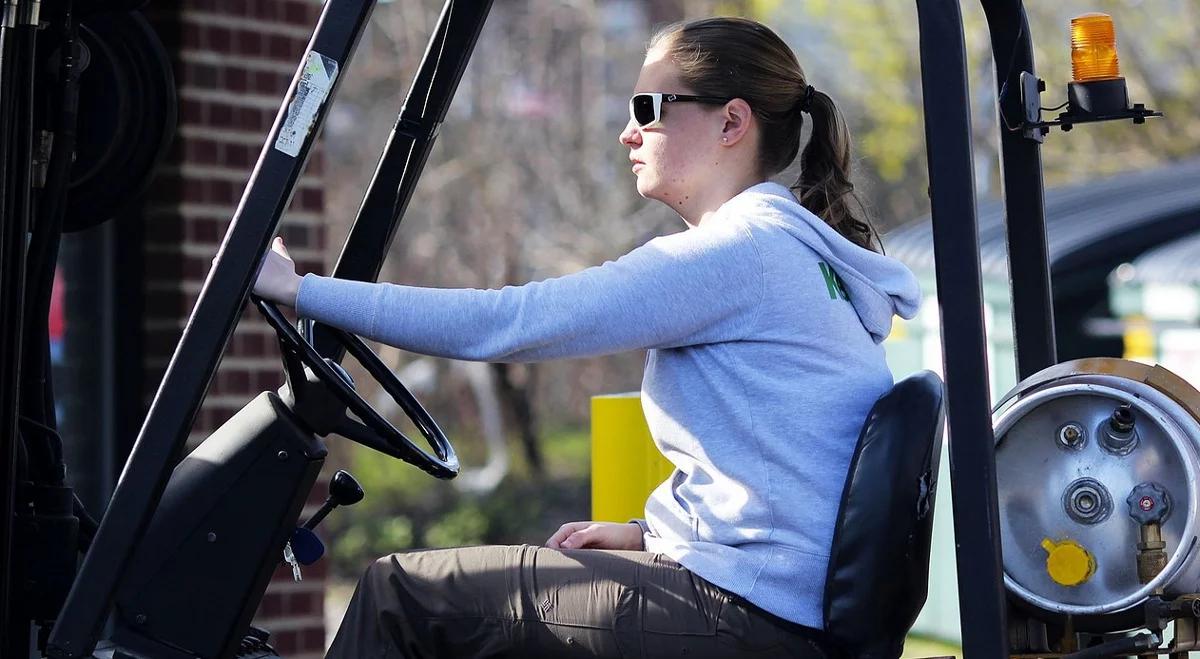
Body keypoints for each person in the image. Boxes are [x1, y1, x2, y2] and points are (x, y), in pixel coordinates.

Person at [255, 16, 920, 659]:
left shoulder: (738, 252)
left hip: (752, 612)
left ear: (732, 122)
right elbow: (785, 463)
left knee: (399, 594)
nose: (629, 133)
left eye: (649, 106)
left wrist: (299, 289)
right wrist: (646, 534)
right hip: (769, 599)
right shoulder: (786, 252)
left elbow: (509, 323)